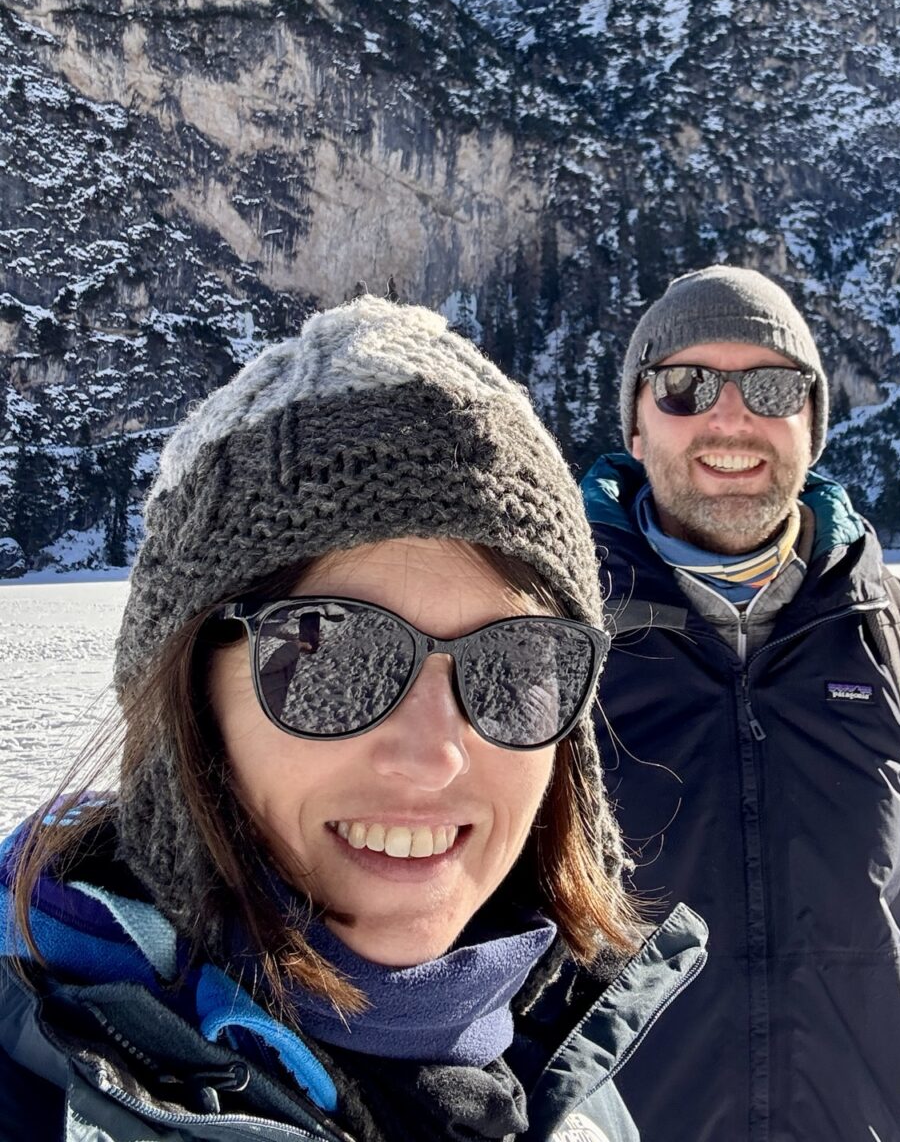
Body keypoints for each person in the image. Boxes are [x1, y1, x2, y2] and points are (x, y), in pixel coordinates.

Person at [0, 298, 706, 1142]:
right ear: (187, 701)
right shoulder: (33, 1084)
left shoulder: (566, 1076)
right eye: (330, 657)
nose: (435, 754)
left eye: (515, 666)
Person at [583, 265, 900, 1142]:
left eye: (772, 387)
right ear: (636, 423)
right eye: (684, 385)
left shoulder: (894, 634)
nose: (730, 417)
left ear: (812, 426)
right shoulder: (556, 636)